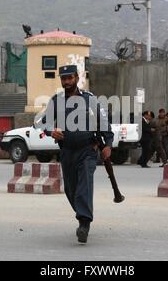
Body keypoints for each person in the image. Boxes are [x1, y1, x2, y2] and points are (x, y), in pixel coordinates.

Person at [39, 65, 114, 244]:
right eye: (63, 79)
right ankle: (82, 213)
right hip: (67, 152)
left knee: (84, 186)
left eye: (69, 78)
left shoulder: (90, 99)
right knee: (70, 189)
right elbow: (42, 123)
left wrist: (108, 144)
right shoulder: (56, 101)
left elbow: (104, 123)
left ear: (77, 77)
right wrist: (51, 132)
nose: (66, 82)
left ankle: (84, 224)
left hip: (88, 150)